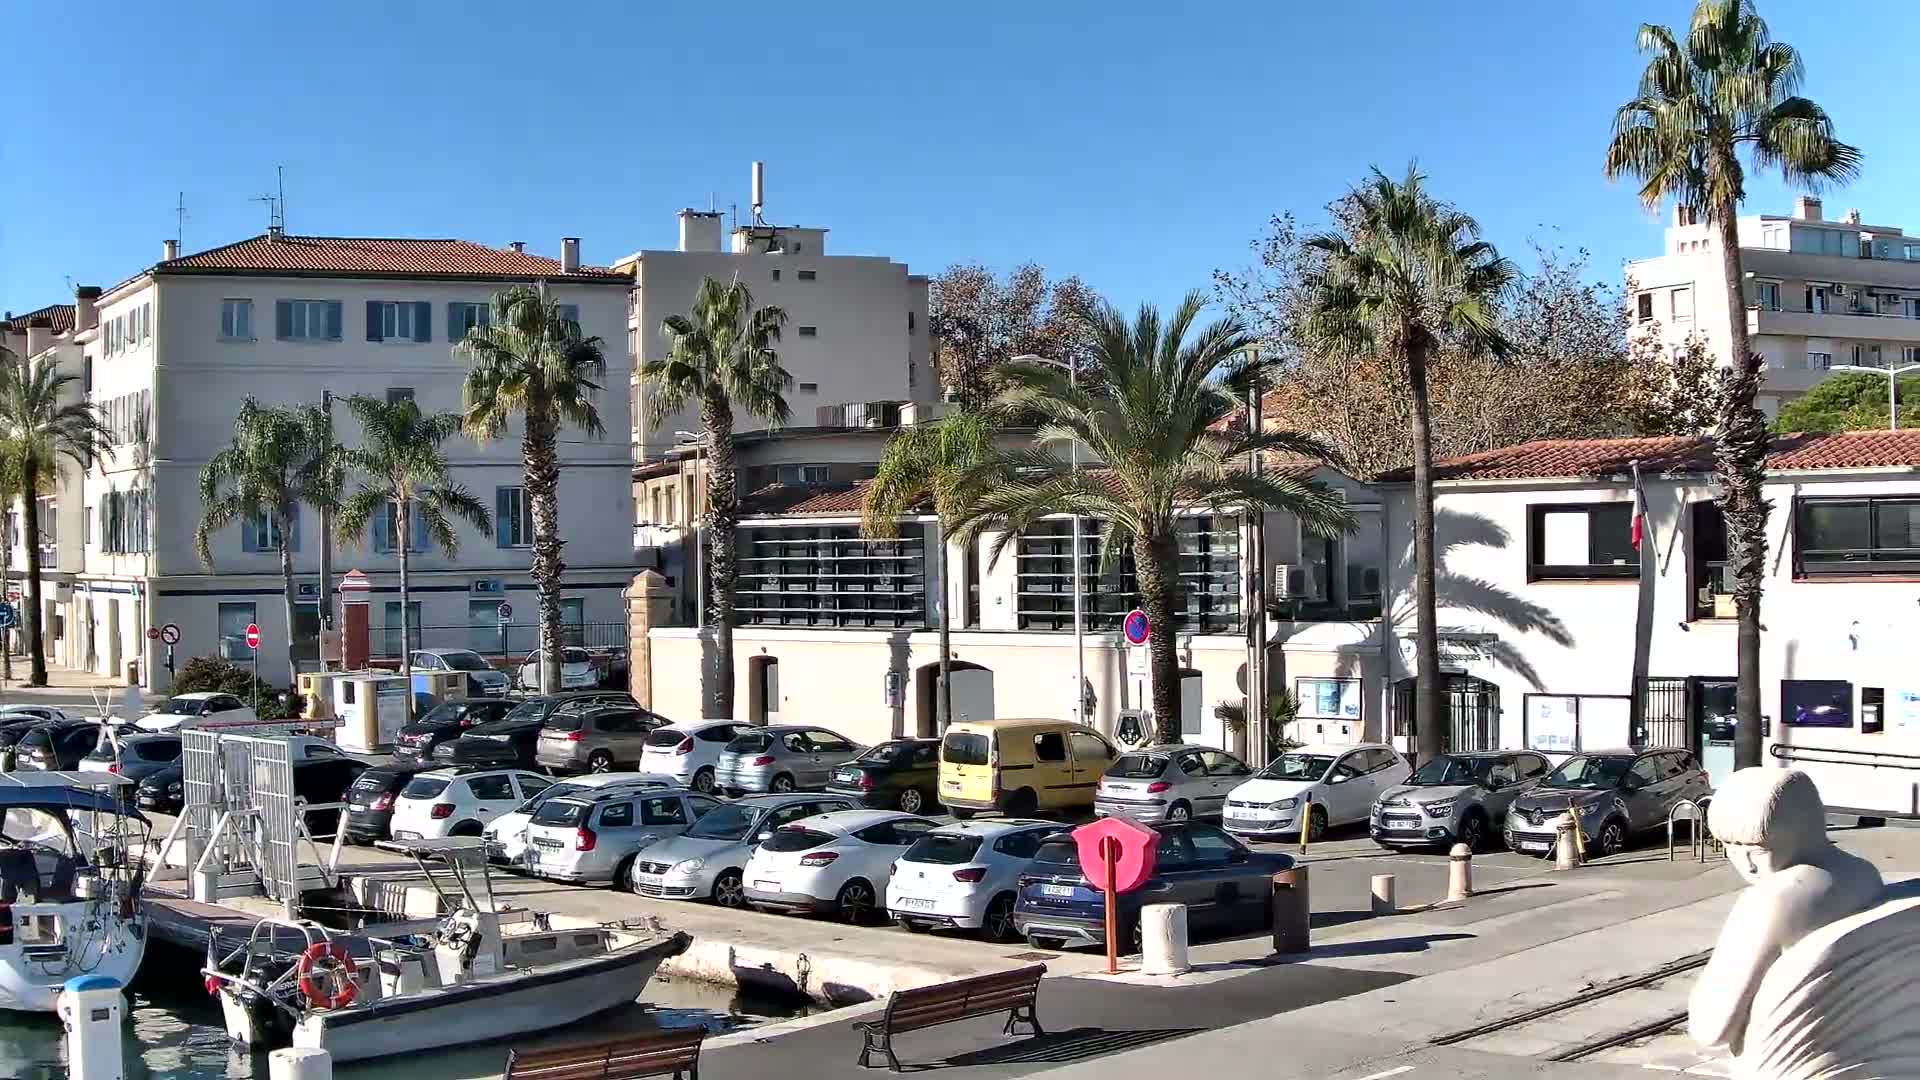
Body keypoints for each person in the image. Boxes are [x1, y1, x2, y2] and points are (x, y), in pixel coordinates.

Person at [1688, 768, 1884, 1058]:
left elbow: (1711, 1027)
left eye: (1758, 850)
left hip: (1788, 1060)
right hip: (1855, 1047)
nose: (1747, 864)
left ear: (1801, 832)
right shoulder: (1866, 874)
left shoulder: (1771, 900)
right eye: (1731, 846)